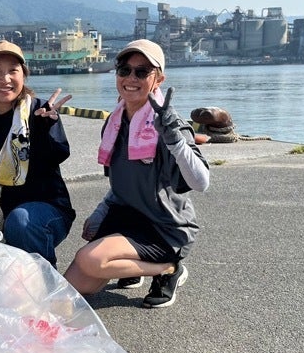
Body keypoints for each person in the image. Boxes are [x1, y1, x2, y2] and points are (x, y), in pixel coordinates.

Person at [64, 39, 210, 308]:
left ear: (158, 79)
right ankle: (133, 266)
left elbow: (201, 182)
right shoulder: (115, 122)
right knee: (74, 288)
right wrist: (100, 212)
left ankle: (169, 268)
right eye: (124, 70)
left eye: (142, 72)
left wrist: (175, 141)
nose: (131, 78)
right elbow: (121, 182)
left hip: (163, 227)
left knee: (90, 259)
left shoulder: (169, 125)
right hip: (126, 216)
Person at [0, 40, 75, 266]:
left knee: (20, 222)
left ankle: (46, 280)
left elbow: (58, 155)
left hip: (46, 211)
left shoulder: (40, 112)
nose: (5, 79)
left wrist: (46, 130)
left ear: (24, 75)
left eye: (13, 70)